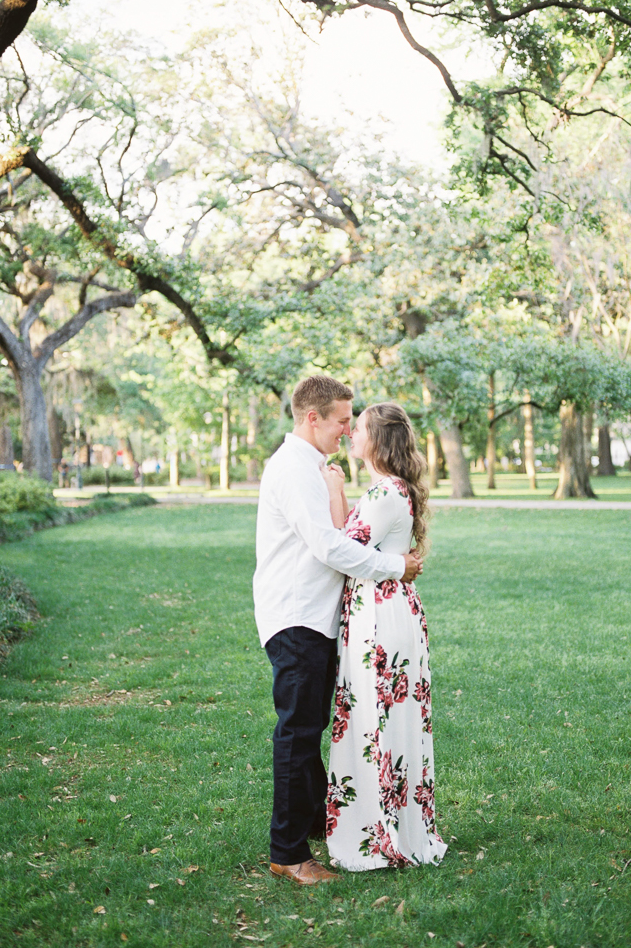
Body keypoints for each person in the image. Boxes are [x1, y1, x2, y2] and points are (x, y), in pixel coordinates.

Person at [253, 376, 423, 887]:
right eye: (343, 421)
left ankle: (313, 824)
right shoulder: (293, 470)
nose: (348, 431)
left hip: (319, 617)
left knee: (308, 731)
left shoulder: (311, 467)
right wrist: (396, 566)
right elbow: (329, 546)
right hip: (298, 616)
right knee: (297, 733)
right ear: (313, 418)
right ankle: (288, 853)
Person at [322, 403, 447, 870]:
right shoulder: (384, 490)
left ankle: (381, 831)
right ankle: (379, 821)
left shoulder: (385, 494)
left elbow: (341, 548)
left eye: (359, 429)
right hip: (384, 610)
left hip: (381, 618)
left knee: (377, 716)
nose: (351, 434)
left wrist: (335, 489)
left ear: (378, 439)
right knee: (374, 716)